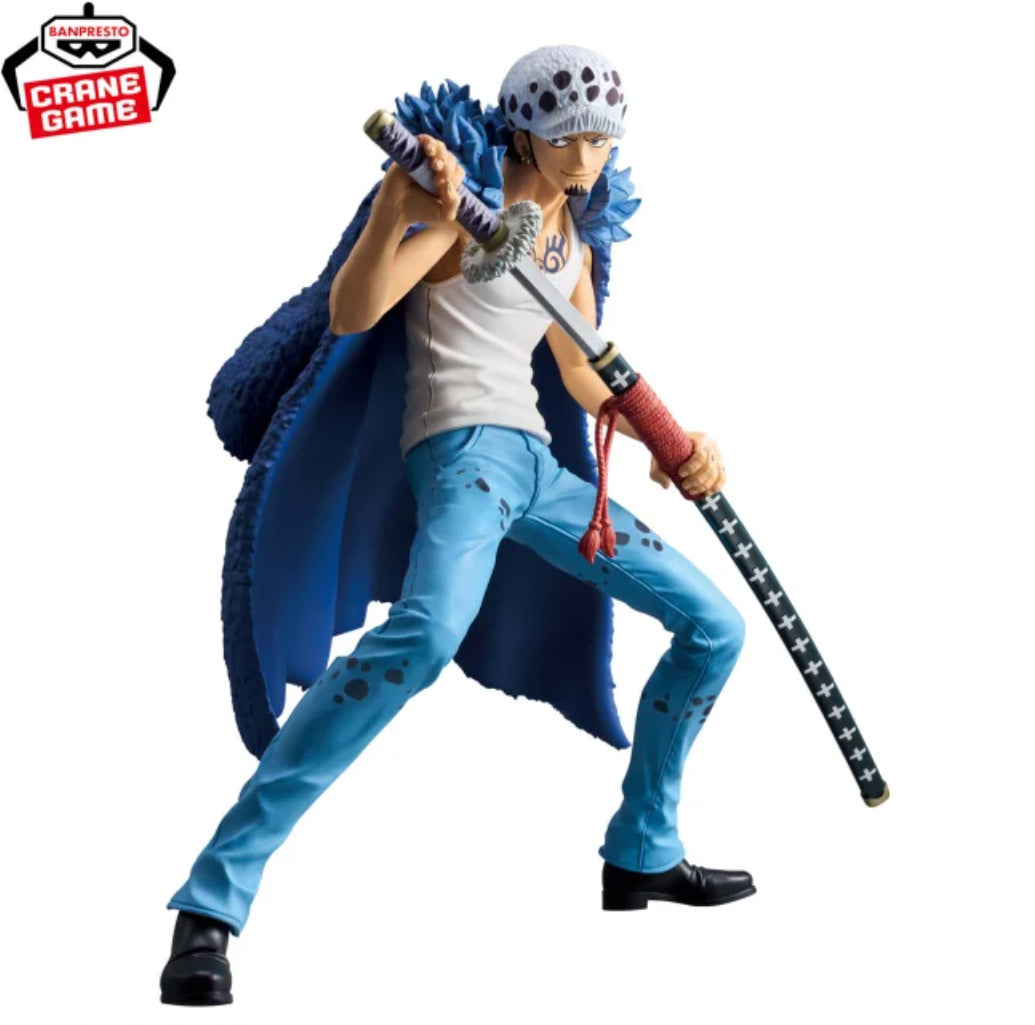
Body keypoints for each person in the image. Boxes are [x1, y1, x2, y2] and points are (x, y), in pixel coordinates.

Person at [160, 45, 752, 1008]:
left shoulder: (571, 241)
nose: (587, 159)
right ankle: (212, 899)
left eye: (602, 141)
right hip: (461, 455)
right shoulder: (461, 206)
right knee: (424, 635)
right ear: (524, 129)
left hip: (540, 471)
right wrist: (398, 204)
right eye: (570, 138)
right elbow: (354, 309)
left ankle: (644, 848)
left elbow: (578, 367)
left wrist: (669, 439)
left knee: (714, 626)